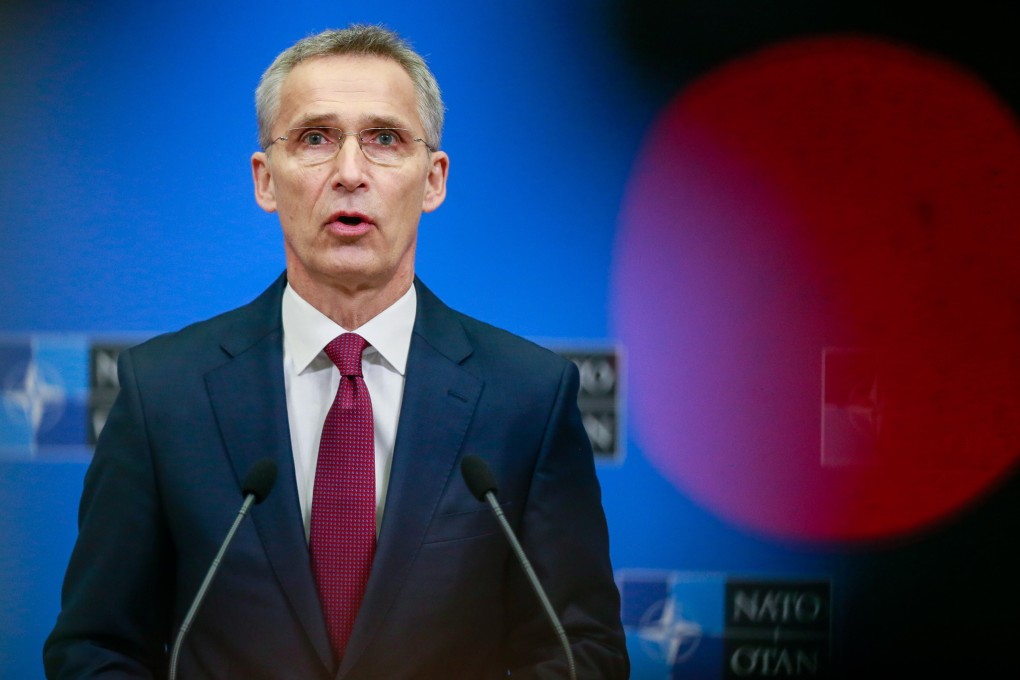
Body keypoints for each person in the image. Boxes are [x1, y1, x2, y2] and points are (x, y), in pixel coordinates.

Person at [43, 23, 629, 680]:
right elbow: (95, 650)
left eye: (384, 140)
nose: (350, 174)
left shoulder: (528, 397)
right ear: (266, 180)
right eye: (315, 139)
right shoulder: (163, 392)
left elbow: (584, 651)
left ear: (433, 179)